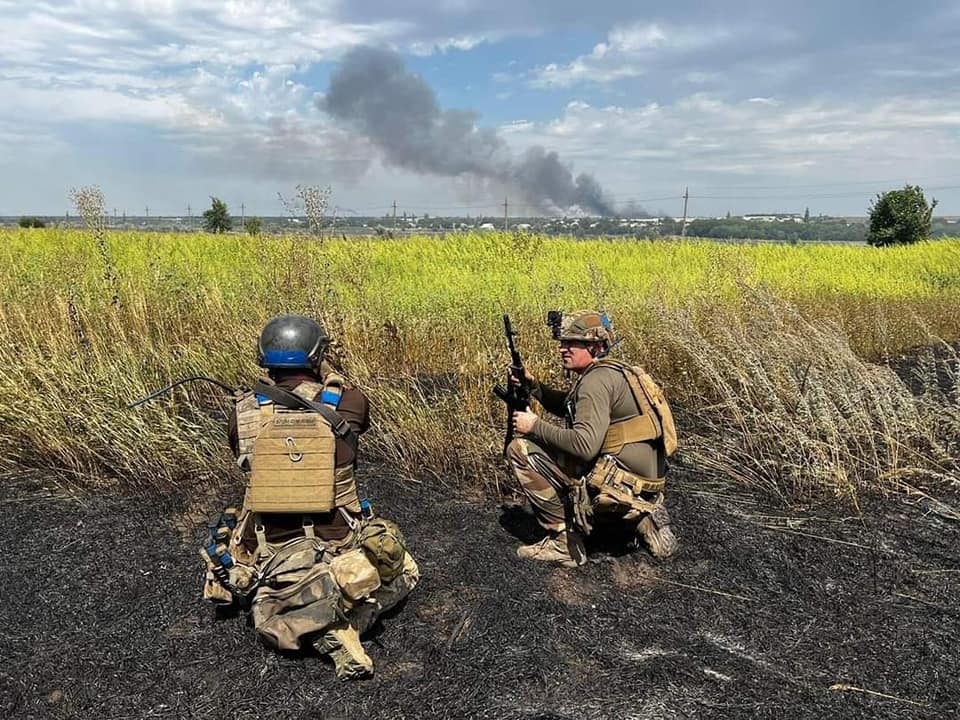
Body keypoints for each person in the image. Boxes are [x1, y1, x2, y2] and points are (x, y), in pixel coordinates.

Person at [201, 314, 419, 680]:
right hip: (338, 541)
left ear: (264, 359)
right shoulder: (347, 401)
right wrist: (330, 375)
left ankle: (295, 608)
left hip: (270, 549)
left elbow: (241, 455)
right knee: (406, 569)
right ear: (317, 356)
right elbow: (358, 419)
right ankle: (347, 620)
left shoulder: (242, 412)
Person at [505, 310, 679, 568]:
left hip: (619, 480)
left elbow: (584, 447)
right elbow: (570, 406)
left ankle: (565, 543)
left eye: (573, 343)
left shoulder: (594, 383)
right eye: (562, 342)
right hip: (646, 480)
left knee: (519, 449)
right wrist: (534, 387)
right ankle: (641, 515)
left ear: (596, 346)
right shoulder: (614, 372)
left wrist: (534, 427)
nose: (563, 349)